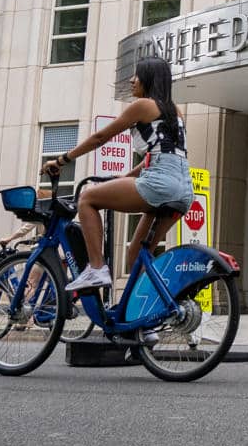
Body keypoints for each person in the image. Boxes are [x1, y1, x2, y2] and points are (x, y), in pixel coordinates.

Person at [41, 56, 192, 293]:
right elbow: (159, 157)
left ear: (149, 80)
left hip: (160, 184)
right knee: (137, 257)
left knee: (88, 199)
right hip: (183, 190)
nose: (132, 80)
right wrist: (123, 179)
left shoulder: (143, 106)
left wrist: (62, 160)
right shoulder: (175, 111)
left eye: (137, 75)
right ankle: (147, 323)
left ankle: (96, 268)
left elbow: (100, 138)